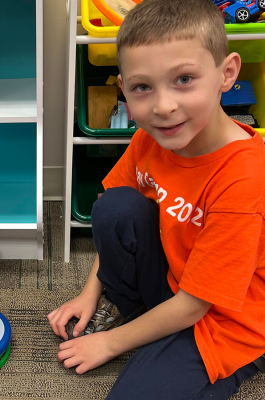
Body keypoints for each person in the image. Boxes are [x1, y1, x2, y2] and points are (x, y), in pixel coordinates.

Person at [48, 0, 265, 398]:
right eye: (143, 87)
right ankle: (130, 306)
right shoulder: (151, 137)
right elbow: (116, 215)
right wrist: (88, 293)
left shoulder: (244, 177)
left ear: (227, 73)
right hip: (175, 280)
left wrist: (110, 343)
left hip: (222, 318)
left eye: (184, 79)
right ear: (124, 86)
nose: (164, 107)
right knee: (115, 206)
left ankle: (151, 333)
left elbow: (196, 306)